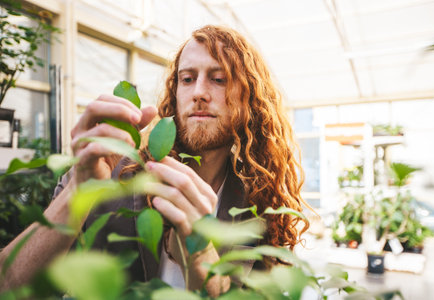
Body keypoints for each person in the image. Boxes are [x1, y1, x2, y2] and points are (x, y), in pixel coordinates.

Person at [0, 25, 309, 296]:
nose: (199, 92)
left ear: (249, 99)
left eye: (219, 79)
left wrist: (200, 255)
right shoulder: (111, 167)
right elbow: (8, 288)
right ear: (174, 92)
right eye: (187, 79)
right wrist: (77, 194)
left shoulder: (259, 201)